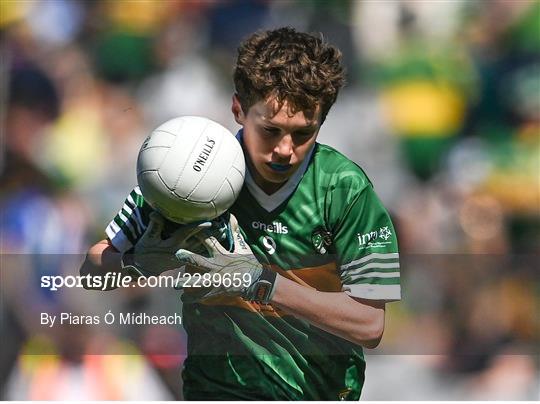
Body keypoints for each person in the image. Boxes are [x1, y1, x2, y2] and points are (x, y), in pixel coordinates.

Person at [81, 27, 400, 400]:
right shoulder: (184, 173)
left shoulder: (343, 188)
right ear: (238, 109)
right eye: (271, 130)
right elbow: (92, 274)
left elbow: (370, 324)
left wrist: (263, 283)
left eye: (302, 134)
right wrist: (137, 264)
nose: (285, 149)